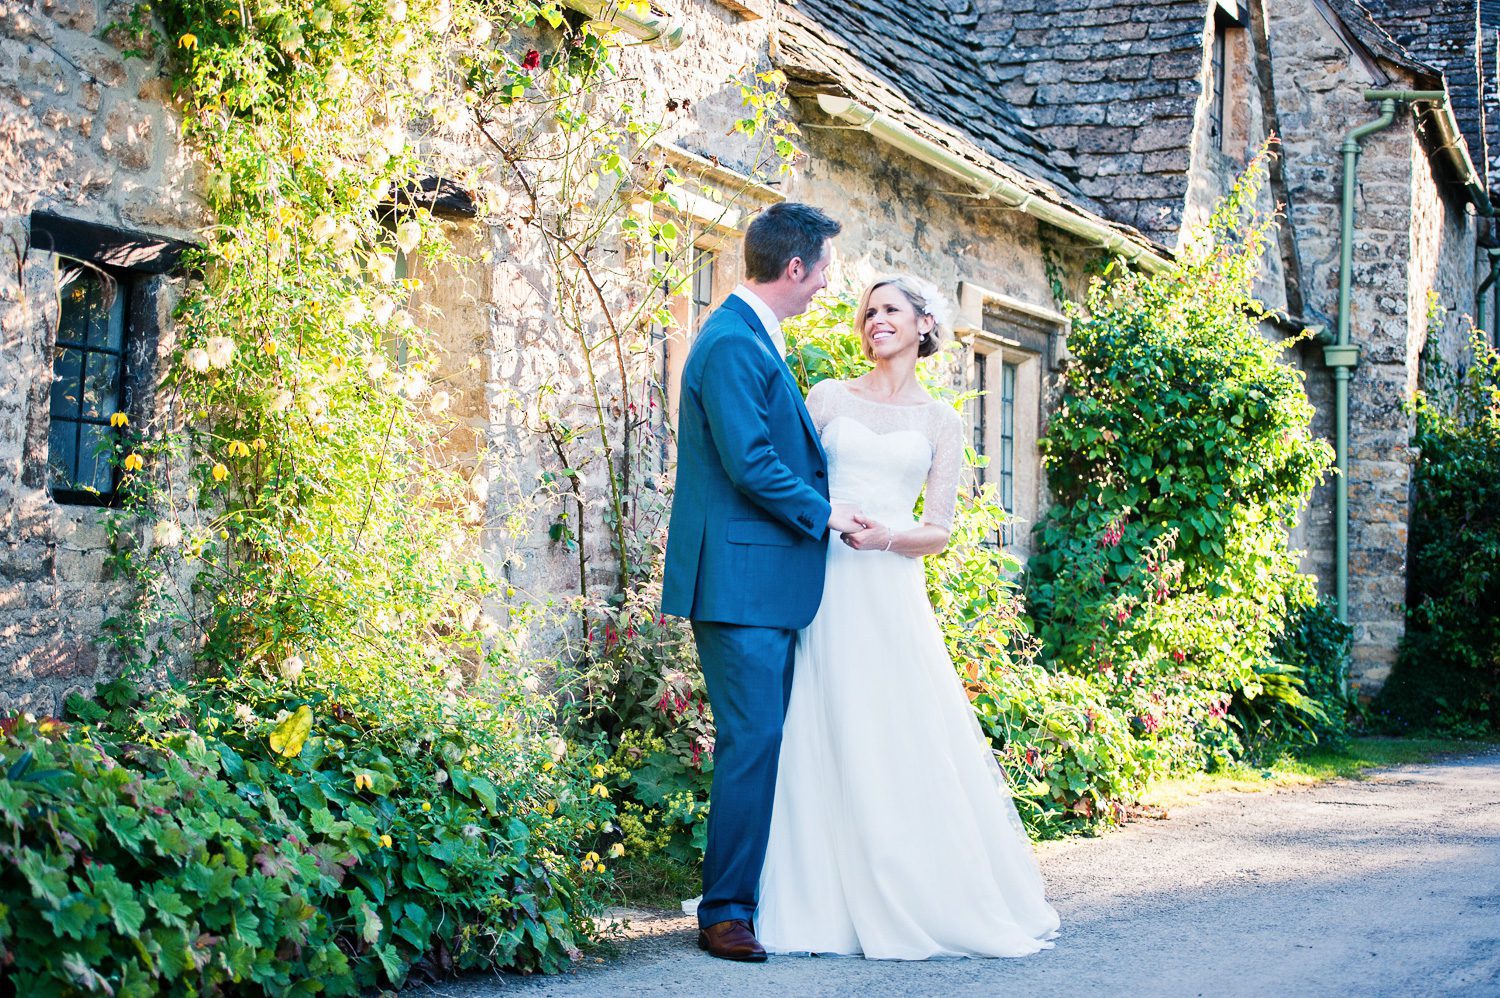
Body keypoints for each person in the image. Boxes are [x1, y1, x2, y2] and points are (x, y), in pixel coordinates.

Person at [755, 274, 1060, 959]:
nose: (876, 320)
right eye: (869, 311)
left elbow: (940, 530)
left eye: (890, 309)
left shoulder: (940, 421)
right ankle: (817, 894)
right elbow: (790, 483)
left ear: (924, 324)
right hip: (824, 581)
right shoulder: (828, 397)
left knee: (893, 727)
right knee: (820, 720)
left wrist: (887, 537)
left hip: (888, 587)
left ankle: (911, 885)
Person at [661, 202, 867, 962]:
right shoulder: (730, 344)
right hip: (739, 582)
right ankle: (724, 912)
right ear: (795, 267)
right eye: (824, 272)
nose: (827, 286)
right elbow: (750, 462)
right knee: (753, 739)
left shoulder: (751, 337)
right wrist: (827, 513)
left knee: (764, 737)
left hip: (759, 581)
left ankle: (751, 895)